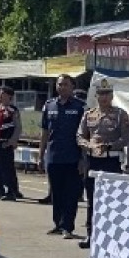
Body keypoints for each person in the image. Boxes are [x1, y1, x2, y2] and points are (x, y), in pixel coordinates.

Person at [78, 77, 129, 250]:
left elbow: (126, 138)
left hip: (111, 161)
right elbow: (80, 136)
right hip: (92, 161)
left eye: (107, 93)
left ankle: (111, 236)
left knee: (112, 201)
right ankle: (90, 234)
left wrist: (108, 146)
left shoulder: (120, 114)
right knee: (92, 200)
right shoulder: (89, 114)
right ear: (96, 95)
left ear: (112, 95)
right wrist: (89, 145)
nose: (104, 97)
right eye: (101, 94)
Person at [39, 74, 87, 239]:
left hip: (73, 157)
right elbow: (44, 132)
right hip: (53, 156)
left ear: (72, 87)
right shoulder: (49, 105)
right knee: (56, 193)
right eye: (60, 84)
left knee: (71, 194)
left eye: (66, 84)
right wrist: (41, 155)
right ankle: (58, 224)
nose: (62, 87)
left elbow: (84, 135)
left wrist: (83, 158)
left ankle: (68, 226)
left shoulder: (80, 107)